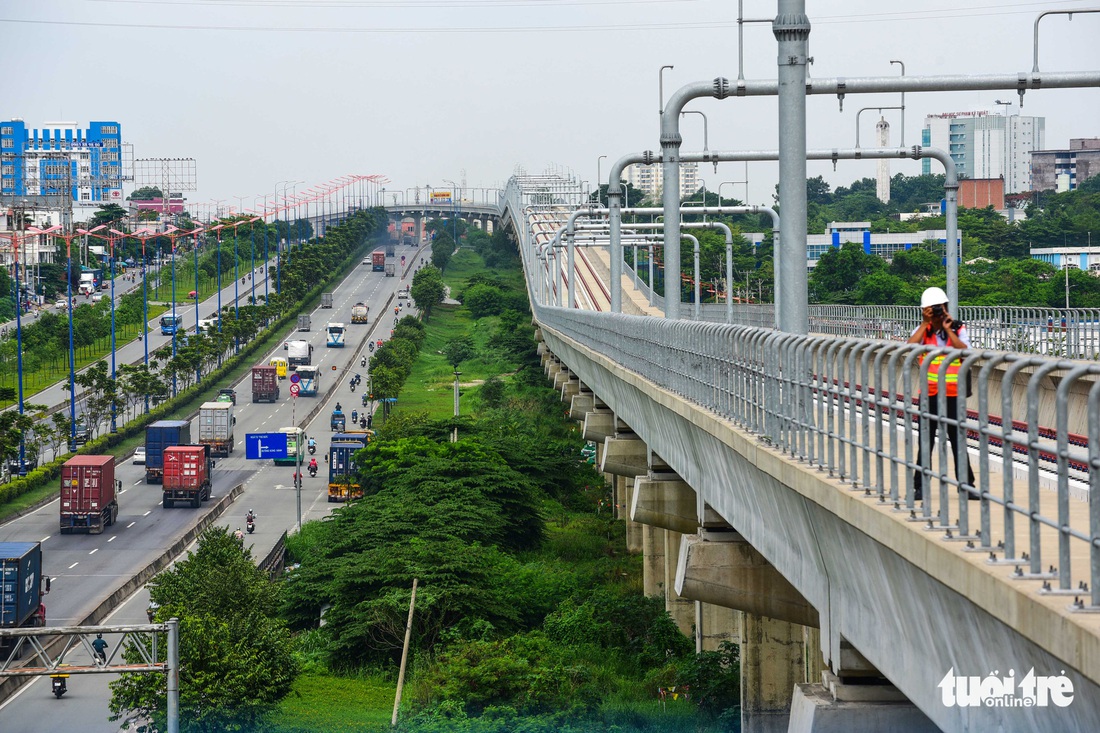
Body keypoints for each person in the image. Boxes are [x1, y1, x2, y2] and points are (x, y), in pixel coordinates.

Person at [907, 287, 975, 502]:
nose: (937, 312)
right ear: (924, 311)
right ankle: (920, 487)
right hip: (930, 395)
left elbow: (965, 351)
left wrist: (950, 329)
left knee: (958, 441)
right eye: (933, 309)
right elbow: (909, 348)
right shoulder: (923, 332)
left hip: (954, 395)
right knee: (926, 442)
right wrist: (926, 324)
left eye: (940, 308)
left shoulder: (958, 328)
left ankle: (967, 486)